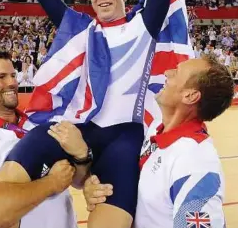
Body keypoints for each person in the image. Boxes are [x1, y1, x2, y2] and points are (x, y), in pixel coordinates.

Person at [0, 0, 188, 228]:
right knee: (6, 188)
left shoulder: (142, 25)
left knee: (111, 221)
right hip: (77, 126)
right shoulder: (82, 31)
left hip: (123, 137)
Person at [83, 55, 234, 228]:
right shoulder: (156, 127)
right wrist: (95, 188)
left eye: (176, 72)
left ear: (190, 96)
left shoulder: (195, 161)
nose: (167, 72)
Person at [0, 48, 79, 228]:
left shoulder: (40, 124)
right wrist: (51, 183)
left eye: (12, 75)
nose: (12, 82)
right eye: (0, 77)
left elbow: (77, 177)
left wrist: (86, 169)